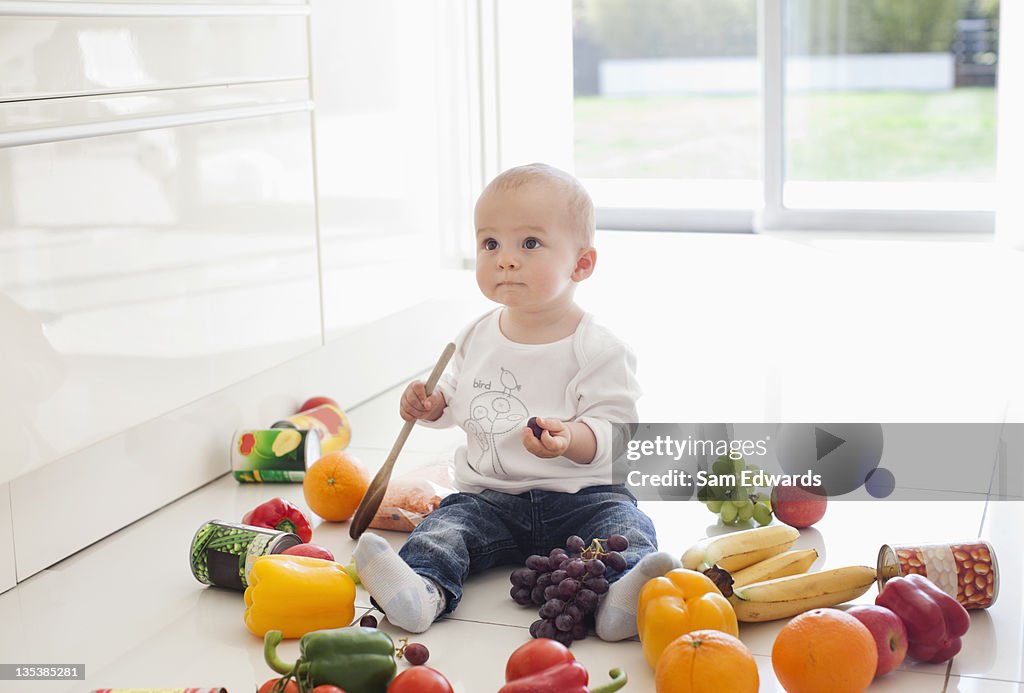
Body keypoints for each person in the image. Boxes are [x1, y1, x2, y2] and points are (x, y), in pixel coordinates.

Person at [352, 163, 678, 640]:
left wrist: (571, 439)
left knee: (624, 526)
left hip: (582, 498)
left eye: (529, 244)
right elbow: (460, 402)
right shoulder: (476, 335)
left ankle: (619, 599)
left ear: (581, 264)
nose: (505, 259)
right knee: (445, 529)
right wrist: (433, 405)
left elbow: (615, 430)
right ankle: (422, 590)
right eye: (490, 244)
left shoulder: (598, 348)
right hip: (490, 498)